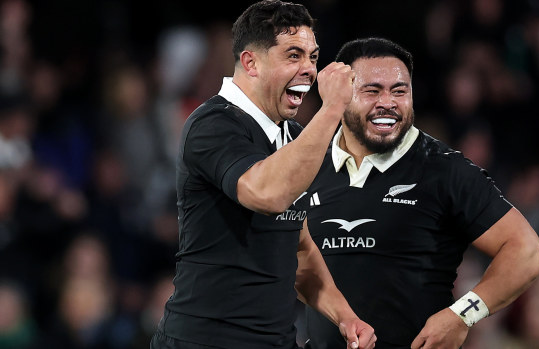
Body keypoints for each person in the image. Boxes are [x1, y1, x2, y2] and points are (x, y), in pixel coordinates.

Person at [149, 1, 378, 349]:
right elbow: (267, 194)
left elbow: (297, 248)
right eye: (293, 55)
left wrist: (345, 316)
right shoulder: (212, 125)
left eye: (313, 57)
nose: (309, 70)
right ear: (250, 63)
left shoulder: (295, 137)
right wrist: (332, 108)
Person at [300, 37, 539, 349]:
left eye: (400, 91)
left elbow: (526, 251)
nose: (388, 102)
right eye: (372, 90)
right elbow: (292, 264)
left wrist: (462, 315)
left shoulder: (445, 169)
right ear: (341, 94)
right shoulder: (306, 166)